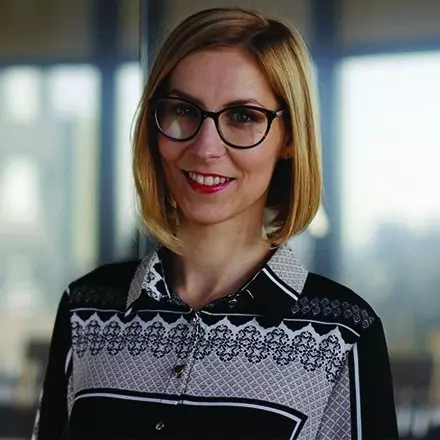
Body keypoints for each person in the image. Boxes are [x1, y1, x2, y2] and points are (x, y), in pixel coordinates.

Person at [32, 7, 398, 440]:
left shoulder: (344, 334)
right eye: (183, 110)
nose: (206, 148)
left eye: (243, 116)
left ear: (289, 138)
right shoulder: (85, 309)